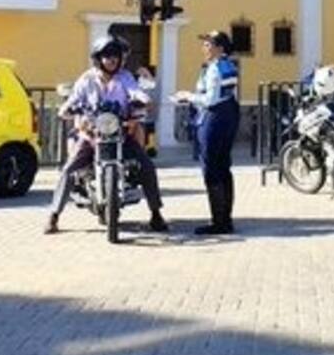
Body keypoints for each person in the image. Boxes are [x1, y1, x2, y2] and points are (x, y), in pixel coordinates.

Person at [45, 35, 168, 235]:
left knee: (146, 165)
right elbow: (74, 99)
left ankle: (156, 213)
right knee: (68, 170)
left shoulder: (125, 77)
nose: (111, 60)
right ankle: (54, 215)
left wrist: (143, 100)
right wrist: (67, 109)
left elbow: (135, 91)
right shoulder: (86, 79)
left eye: (115, 56)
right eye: (107, 56)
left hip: (119, 133)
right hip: (91, 134)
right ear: (98, 58)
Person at [175, 30, 240, 235]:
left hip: (214, 117)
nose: (204, 48)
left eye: (208, 44)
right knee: (223, 167)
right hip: (229, 113)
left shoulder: (214, 69)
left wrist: (188, 96)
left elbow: (210, 99)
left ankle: (219, 221)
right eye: (204, 44)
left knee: (211, 167)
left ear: (220, 48)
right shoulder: (228, 65)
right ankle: (225, 218)